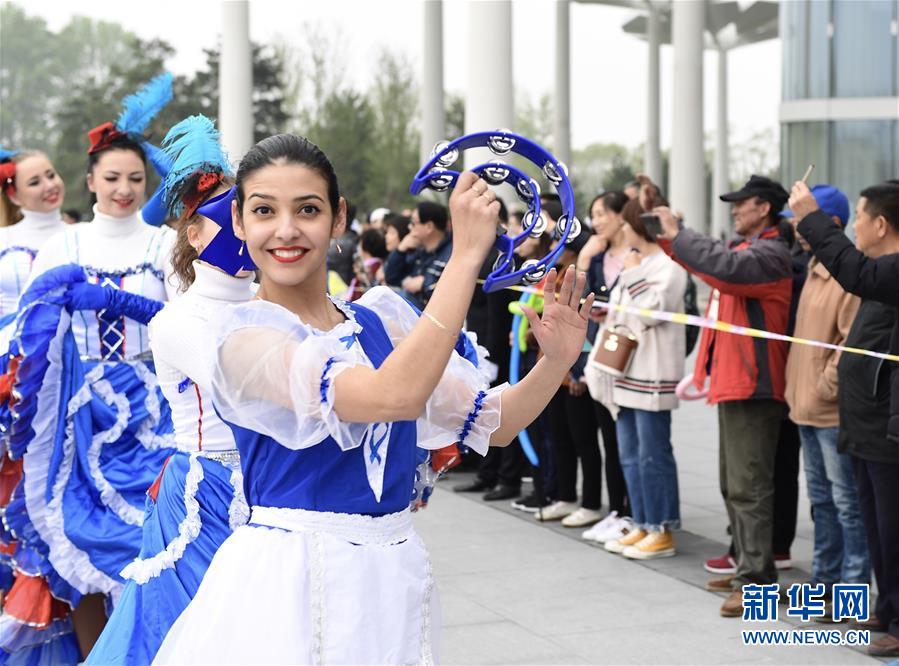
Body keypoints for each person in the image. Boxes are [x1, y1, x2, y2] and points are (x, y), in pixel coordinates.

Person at [152, 134, 593, 664]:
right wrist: (464, 260)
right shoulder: (241, 339)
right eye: (264, 210)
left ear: (337, 218)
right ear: (240, 223)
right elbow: (392, 397)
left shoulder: (379, 319)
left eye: (307, 209)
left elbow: (493, 423)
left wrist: (556, 362)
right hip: (289, 584)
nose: (286, 230)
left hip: (391, 579)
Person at [9, 75, 177, 657]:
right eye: (112, 179)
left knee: (152, 544)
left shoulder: (164, 246)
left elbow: (188, 327)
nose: (125, 189)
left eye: (135, 178)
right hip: (78, 414)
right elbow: (29, 336)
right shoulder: (63, 248)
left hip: (156, 409)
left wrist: (123, 301)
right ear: (91, 182)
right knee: (78, 539)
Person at [85, 115, 256, 665]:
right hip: (205, 488)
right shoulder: (186, 317)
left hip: (277, 488)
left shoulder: (273, 302)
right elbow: (257, 382)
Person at [655, 174, 793, 617]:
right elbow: (711, 266)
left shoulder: (769, 254)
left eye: (742, 203)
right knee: (735, 486)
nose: (734, 210)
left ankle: (757, 582)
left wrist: (681, 235)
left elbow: (723, 269)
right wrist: (669, 234)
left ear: (765, 208)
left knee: (749, 488)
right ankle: (746, 572)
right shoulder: (750, 251)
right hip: (736, 382)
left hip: (754, 384)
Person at [790, 179, 899, 658]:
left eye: (858, 216)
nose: (854, 226)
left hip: (886, 423)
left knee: (891, 526)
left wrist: (813, 218)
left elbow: (854, 273)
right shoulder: (881, 271)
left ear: (881, 223)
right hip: (863, 418)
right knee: (876, 522)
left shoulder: (888, 272)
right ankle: (888, 607)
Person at [0, 148, 80, 664]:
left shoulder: (81, 234)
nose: (50, 184)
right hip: (14, 391)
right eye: (36, 180)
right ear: (13, 193)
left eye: (52, 173)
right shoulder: (5, 245)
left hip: (72, 389)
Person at [782, 184, 868, 608]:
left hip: (830, 411)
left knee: (847, 503)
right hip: (805, 408)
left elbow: (849, 344)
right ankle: (824, 582)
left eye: (800, 219)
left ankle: (852, 588)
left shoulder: (846, 274)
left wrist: (822, 387)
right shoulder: (815, 267)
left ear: (831, 223)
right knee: (821, 501)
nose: (794, 228)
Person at [599, 198, 686, 559]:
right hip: (625, 371)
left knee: (653, 454)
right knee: (630, 454)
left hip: (652, 373)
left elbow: (652, 311)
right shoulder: (636, 263)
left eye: (625, 223)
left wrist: (632, 273)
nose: (621, 230)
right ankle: (642, 521)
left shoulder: (669, 266)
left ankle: (661, 527)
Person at [579, 191, 633, 543]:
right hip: (601, 357)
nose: (596, 222)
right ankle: (616, 510)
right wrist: (584, 259)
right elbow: (580, 303)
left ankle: (635, 512)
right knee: (608, 439)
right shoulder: (598, 258)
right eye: (593, 215)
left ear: (621, 215)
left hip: (632, 358)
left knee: (629, 441)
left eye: (602, 214)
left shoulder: (636, 256)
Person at [383, 201, 452, 308]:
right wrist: (400, 250)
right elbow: (392, 278)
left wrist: (424, 284)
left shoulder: (452, 253)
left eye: (414, 223)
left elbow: (454, 289)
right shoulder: (419, 252)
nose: (410, 227)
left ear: (429, 227)